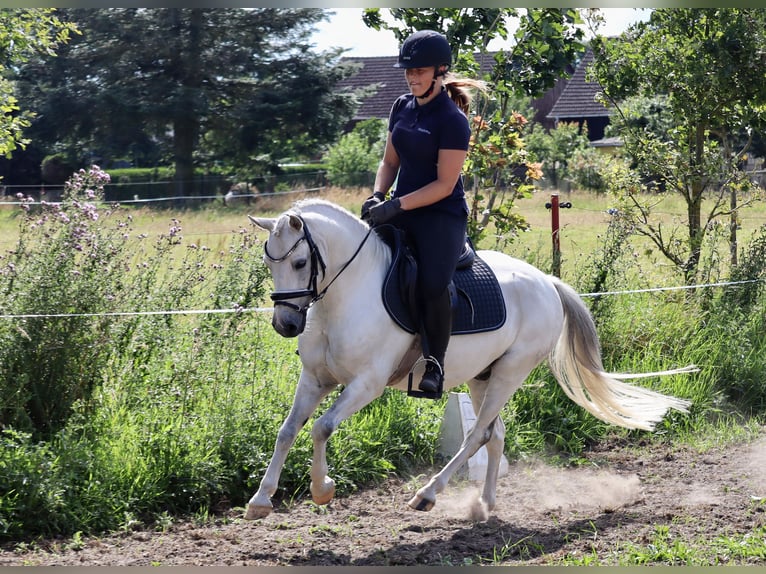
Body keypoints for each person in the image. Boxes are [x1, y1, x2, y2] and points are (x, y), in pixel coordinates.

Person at [361, 29, 485, 395]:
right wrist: (377, 194)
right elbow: (389, 160)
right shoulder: (401, 106)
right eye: (408, 72)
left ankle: (435, 363)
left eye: (420, 71)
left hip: (440, 216)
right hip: (399, 208)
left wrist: (395, 205)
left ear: (440, 71)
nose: (413, 77)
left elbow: (444, 185)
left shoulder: (452, 120)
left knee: (432, 285)